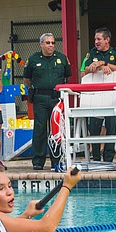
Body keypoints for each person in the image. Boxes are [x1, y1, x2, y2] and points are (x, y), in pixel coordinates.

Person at [0, 165, 82, 232]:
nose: (9, 192)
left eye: (9, 186)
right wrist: (67, 186)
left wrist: (26, 215)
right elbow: (47, 227)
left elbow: (8, 227)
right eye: (1, 188)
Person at [24, 32, 72, 171]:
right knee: (40, 129)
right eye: (48, 42)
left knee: (56, 129)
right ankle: (38, 161)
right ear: (41, 44)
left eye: (53, 43)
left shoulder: (62, 58)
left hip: (56, 98)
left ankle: (56, 161)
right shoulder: (33, 59)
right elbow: (27, 80)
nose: (51, 45)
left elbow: (67, 76)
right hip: (40, 98)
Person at [78, 28, 116, 164]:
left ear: (107, 40)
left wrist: (104, 63)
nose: (96, 42)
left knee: (111, 127)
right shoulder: (91, 53)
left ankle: (108, 159)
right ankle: (95, 158)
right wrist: (95, 67)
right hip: (94, 97)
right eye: (95, 39)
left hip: (111, 97)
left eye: (99, 39)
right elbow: (83, 73)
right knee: (94, 128)